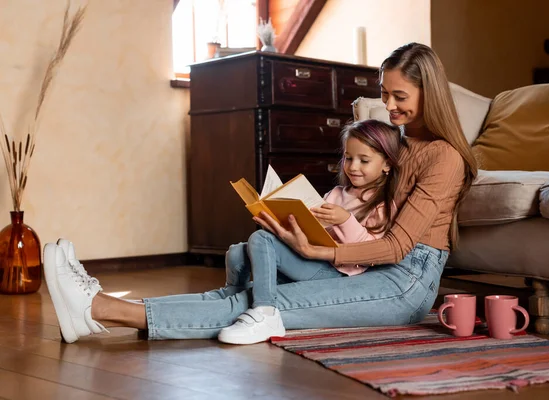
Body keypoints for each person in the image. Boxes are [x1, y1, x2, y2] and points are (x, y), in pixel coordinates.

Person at [43, 42, 478, 344]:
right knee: (253, 264)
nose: (389, 105)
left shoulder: (444, 158)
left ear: (429, 93)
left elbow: (399, 246)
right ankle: (101, 310)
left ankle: (102, 311)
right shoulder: (397, 145)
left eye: (399, 96)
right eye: (384, 93)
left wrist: (318, 252)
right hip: (365, 268)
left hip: (405, 281)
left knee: (260, 302)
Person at [215, 119, 401, 344]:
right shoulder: (336, 193)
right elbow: (311, 226)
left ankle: (265, 311)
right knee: (238, 252)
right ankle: (227, 304)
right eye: (348, 158)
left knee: (260, 239)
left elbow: (371, 250)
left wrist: (346, 220)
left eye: (364, 160)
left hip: (339, 273)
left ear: (387, 164)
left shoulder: (382, 205)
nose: (353, 167)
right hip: (310, 260)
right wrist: (280, 223)